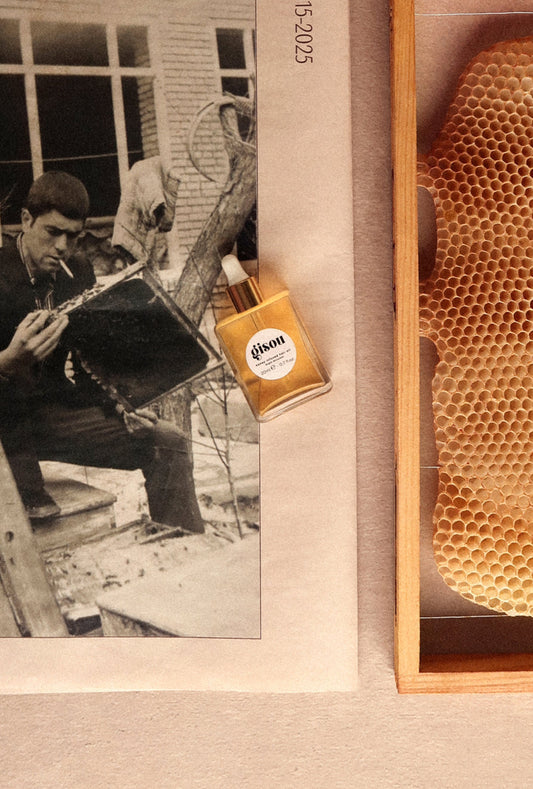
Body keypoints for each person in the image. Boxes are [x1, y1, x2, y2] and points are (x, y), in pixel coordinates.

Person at [0, 170, 202, 531]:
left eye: (73, 236)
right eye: (52, 232)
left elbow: (88, 357)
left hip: (50, 416)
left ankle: (182, 546)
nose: (62, 246)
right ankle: (29, 495)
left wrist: (122, 402)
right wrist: (7, 362)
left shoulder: (76, 271)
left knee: (167, 441)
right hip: (4, 424)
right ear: (26, 220)